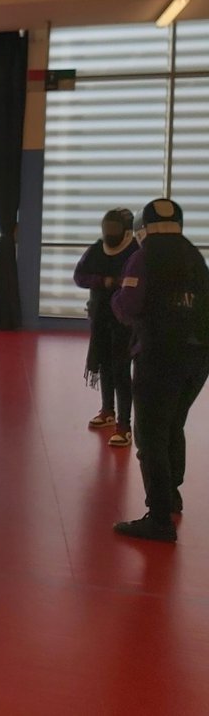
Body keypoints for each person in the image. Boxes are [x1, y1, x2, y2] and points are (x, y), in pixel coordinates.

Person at [111, 199, 209, 543]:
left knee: (150, 435)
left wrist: (115, 301)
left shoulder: (143, 257)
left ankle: (159, 518)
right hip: (198, 358)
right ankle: (172, 495)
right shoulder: (195, 256)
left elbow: (129, 306)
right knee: (173, 425)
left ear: (142, 229)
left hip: (158, 357)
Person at [73, 208, 139, 446]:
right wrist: (103, 281)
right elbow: (79, 276)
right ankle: (107, 411)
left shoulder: (136, 252)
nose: (110, 232)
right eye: (107, 227)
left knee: (121, 370)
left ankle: (124, 425)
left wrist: (121, 286)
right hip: (100, 318)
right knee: (104, 364)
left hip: (124, 321)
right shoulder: (96, 249)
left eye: (114, 228)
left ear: (127, 230)